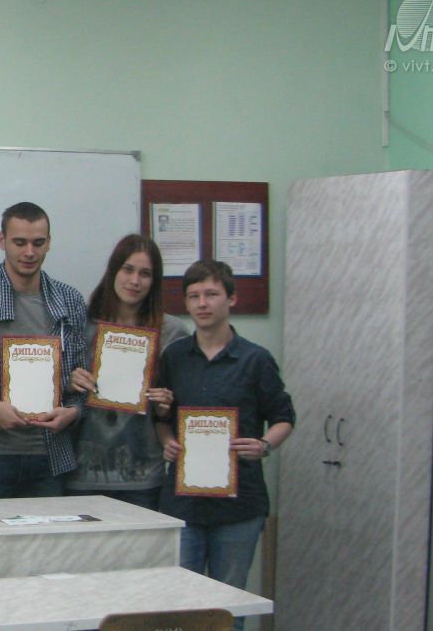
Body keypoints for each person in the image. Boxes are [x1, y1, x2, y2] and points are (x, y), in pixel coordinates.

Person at [155, 260, 294, 628]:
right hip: (183, 506)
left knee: (228, 610)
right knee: (180, 609)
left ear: (231, 299)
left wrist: (264, 445)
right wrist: (167, 441)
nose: (202, 303)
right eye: (194, 296)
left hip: (239, 508)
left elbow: (284, 418)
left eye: (211, 294)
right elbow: (161, 418)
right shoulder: (174, 356)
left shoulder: (256, 360)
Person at [0, 202, 88, 498]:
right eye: (19, 242)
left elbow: (81, 380)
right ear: (2, 240)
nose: (29, 252)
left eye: (38, 243)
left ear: (49, 243)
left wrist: (73, 412)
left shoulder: (70, 300)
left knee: (50, 532)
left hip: (50, 457)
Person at [65, 234, 188, 510]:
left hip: (143, 475)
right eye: (128, 269)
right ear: (113, 271)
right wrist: (69, 381)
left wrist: (166, 406)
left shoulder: (173, 332)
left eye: (145, 274)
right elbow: (55, 389)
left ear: (154, 281)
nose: (135, 281)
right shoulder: (81, 324)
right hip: (83, 472)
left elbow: (181, 407)